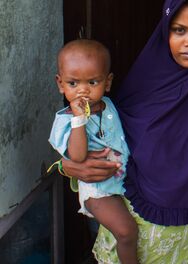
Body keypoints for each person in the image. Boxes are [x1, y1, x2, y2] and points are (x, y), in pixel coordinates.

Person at [60, 0, 188, 263]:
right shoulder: (139, 90)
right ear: (164, 31)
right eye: (179, 30)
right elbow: (91, 138)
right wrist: (66, 165)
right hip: (130, 244)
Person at [49, 39, 138, 264]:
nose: (83, 90)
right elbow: (77, 157)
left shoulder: (108, 104)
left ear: (107, 83)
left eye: (92, 81)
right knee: (126, 231)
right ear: (60, 84)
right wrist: (79, 120)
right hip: (99, 189)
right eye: (72, 83)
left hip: (121, 181)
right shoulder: (66, 120)